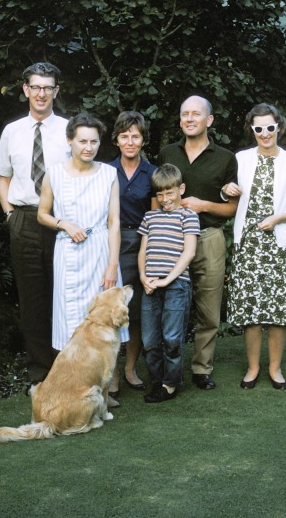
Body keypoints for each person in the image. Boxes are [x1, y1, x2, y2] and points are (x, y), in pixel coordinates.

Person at [36, 114, 128, 403]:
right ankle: (70, 387)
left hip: (101, 249)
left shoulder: (108, 174)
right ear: (69, 141)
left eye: (94, 141)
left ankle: (106, 388)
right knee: (69, 320)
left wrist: (112, 265)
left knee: (107, 321)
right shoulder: (55, 173)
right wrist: (65, 224)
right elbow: (42, 214)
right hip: (67, 250)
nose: (88, 147)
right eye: (82, 141)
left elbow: (114, 222)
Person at [0, 62, 70, 389]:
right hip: (23, 219)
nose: (41, 93)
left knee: (64, 299)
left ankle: (68, 373)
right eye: (35, 87)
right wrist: (10, 216)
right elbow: (3, 178)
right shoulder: (11, 131)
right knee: (32, 301)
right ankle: (40, 375)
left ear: (56, 91)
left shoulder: (70, 130)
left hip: (61, 221)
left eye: (47, 87)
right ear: (25, 90)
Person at [222, 103, 286, 390]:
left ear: (279, 127)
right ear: (253, 130)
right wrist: (226, 190)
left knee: (278, 311)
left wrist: (281, 217)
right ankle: (253, 368)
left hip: (280, 243)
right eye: (258, 128)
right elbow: (229, 191)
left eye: (270, 127)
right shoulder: (241, 158)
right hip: (249, 244)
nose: (265, 133)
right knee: (251, 311)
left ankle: (275, 369)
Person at [157, 95, 237, 390]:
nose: (189, 119)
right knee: (169, 304)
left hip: (208, 238)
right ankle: (167, 367)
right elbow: (157, 197)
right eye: (184, 114)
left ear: (209, 120)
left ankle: (201, 368)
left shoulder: (226, 158)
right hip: (170, 238)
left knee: (208, 307)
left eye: (196, 114)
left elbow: (231, 208)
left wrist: (202, 205)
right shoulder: (167, 152)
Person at [138, 164, 200, 403]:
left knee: (172, 338)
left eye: (170, 193)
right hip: (150, 286)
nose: (165, 199)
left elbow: (189, 252)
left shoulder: (188, 216)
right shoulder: (150, 217)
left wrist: (167, 280)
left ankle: (170, 383)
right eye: (160, 194)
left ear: (181, 188)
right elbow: (143, 251)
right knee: (149, 340)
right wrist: (144, 277)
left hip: (176, 285)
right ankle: (156, 380)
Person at [106, 111, 158, 398]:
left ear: (143, 140)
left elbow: (153, 214)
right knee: (114, 310)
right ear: (116, 139)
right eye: (124, 136)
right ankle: (112, 374)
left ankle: (130, 368)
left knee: (137, 312)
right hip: (111, 244)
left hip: (142, 241)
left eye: (135, 136)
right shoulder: (104, 170)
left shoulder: (152, 173)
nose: (130, 141)